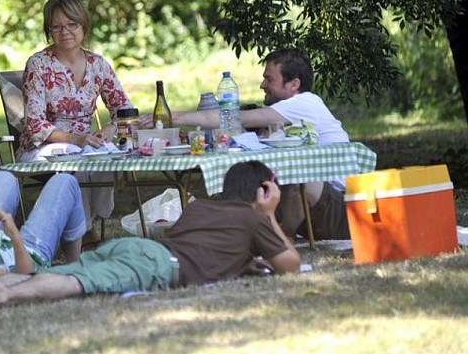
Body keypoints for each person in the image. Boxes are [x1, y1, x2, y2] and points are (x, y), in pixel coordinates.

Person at [0, 160, 300, 314]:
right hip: (156, 263)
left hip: (140, 248)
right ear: (262, 191)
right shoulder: (255, 220)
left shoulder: (203, 207)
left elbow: (209, 249)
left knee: (60, 273)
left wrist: (243, 262)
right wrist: (268, 217)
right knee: (75, 283)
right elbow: (290, 265)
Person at [142, 47, 351, 240]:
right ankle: (241, 235)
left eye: (269, 79)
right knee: (254, 179)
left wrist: (173, 117)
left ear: (294, 84)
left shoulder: (305, 103)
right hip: (311, 211)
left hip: (341, 211)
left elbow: (235, 118)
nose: (262, 85)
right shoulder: (286, 115)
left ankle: (281, 239)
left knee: (298, 176)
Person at [18, 0, 133, 244]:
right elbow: (35, 125)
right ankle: (82, 231)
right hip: (43, 146)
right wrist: (76, 140)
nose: (65, 31)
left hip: (86, 142)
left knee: (105, 153)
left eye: (72, 24)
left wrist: (110, 130)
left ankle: (90, 221)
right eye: (56, 26)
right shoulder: (38, 64)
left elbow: (125, 110)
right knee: (75, 157)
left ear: (84, 26)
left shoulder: (97, 64)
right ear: (49, 30)